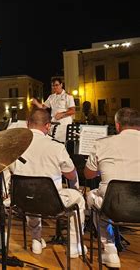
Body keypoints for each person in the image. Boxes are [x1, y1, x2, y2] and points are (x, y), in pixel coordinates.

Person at [10, 108, 85, 258]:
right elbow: (70, 174)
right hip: (52, 203)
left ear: (27, 124)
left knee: (31, 193)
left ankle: (36, 240)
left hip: (23, 201)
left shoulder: (16, 146)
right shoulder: (56, 146)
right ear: (48, 126)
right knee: (79, 200)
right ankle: (74, 246)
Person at [84, 107, 140, 268]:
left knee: (92, 196)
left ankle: (109, 249)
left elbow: (88, 175)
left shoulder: (103, 144)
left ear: (117, 125)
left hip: (113, 205)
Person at [31, 77, 75, 142]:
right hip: (53, 124)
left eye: (56, 85)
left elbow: (73, 111)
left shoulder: (68, 96)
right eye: (53, 86)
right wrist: (36, 102)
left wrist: (62, 114)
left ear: (61, 85)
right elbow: (43, 107)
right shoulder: (51, 97)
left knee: (62, 143)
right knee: (53, 142)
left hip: (63, 125)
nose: (55, 87)